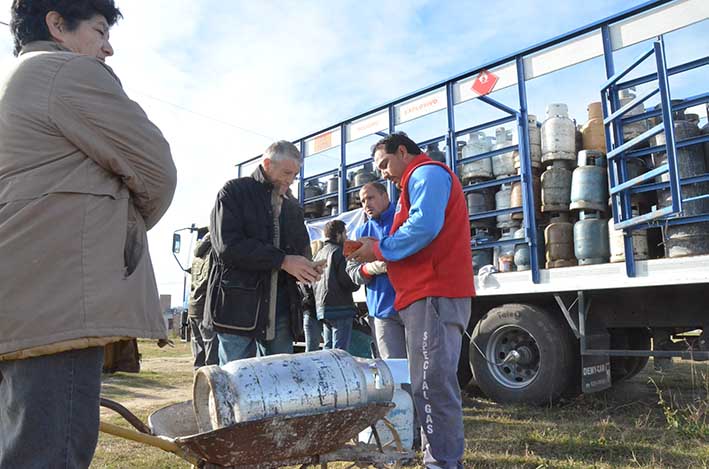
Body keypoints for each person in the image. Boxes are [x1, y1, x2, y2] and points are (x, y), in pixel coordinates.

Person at [0, 1, 177, 467]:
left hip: (21, 304)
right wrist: (121, 232)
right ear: (57, 24)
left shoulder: (12, 86)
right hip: (59, 307)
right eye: (99, 31)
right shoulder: (65, 72)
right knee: (50, 455)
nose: (108, 48)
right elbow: (156, 172)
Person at [349, 132, 474, 469]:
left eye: (385, 164)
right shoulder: (414, 182)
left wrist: (378, 248)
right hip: (427, 295)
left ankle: (442, 463)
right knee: (429, 383)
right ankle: (441, 459)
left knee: (432, 385)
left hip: (432, 293)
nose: (384, 173)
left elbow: (424, 226)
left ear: (402, 151)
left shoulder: (425, 174)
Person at [206, 141, 322, 364]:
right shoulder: (234, 192)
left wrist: (308, 267)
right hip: (238, 308)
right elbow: (227, 246)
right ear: (267, 163)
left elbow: (300, 251)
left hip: (282, 308)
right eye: (287, 172)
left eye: (295, 175)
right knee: (236, 378)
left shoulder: (293, 206)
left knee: (280, 380)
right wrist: (283, 260)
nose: (290, 180)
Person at [346, 182, 404, 360]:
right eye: (362, 201)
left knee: (422, 369)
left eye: (370, 198)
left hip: (413, 306)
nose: (366, 204)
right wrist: (370, 268)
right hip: (382, 311)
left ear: (385, 196)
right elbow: (352, 272)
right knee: (394, 370)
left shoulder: (405, 220)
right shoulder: (360, 233)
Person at [312, 220, 360, 351]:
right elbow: (346, 280)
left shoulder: (319, 253)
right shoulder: (339, 252)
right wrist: (357, 283)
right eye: (345, 233)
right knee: (340, 351)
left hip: (323, 307)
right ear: (338, 235)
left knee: (328, 349)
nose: (347, 237)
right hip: (340, 307)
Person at [187, 229, 219, 368]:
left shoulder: (198, 254)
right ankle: (211, 388)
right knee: (212, 360)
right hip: (207, 308)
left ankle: (199, 388)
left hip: (193, 306)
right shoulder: (215, 250)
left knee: (198, 358)